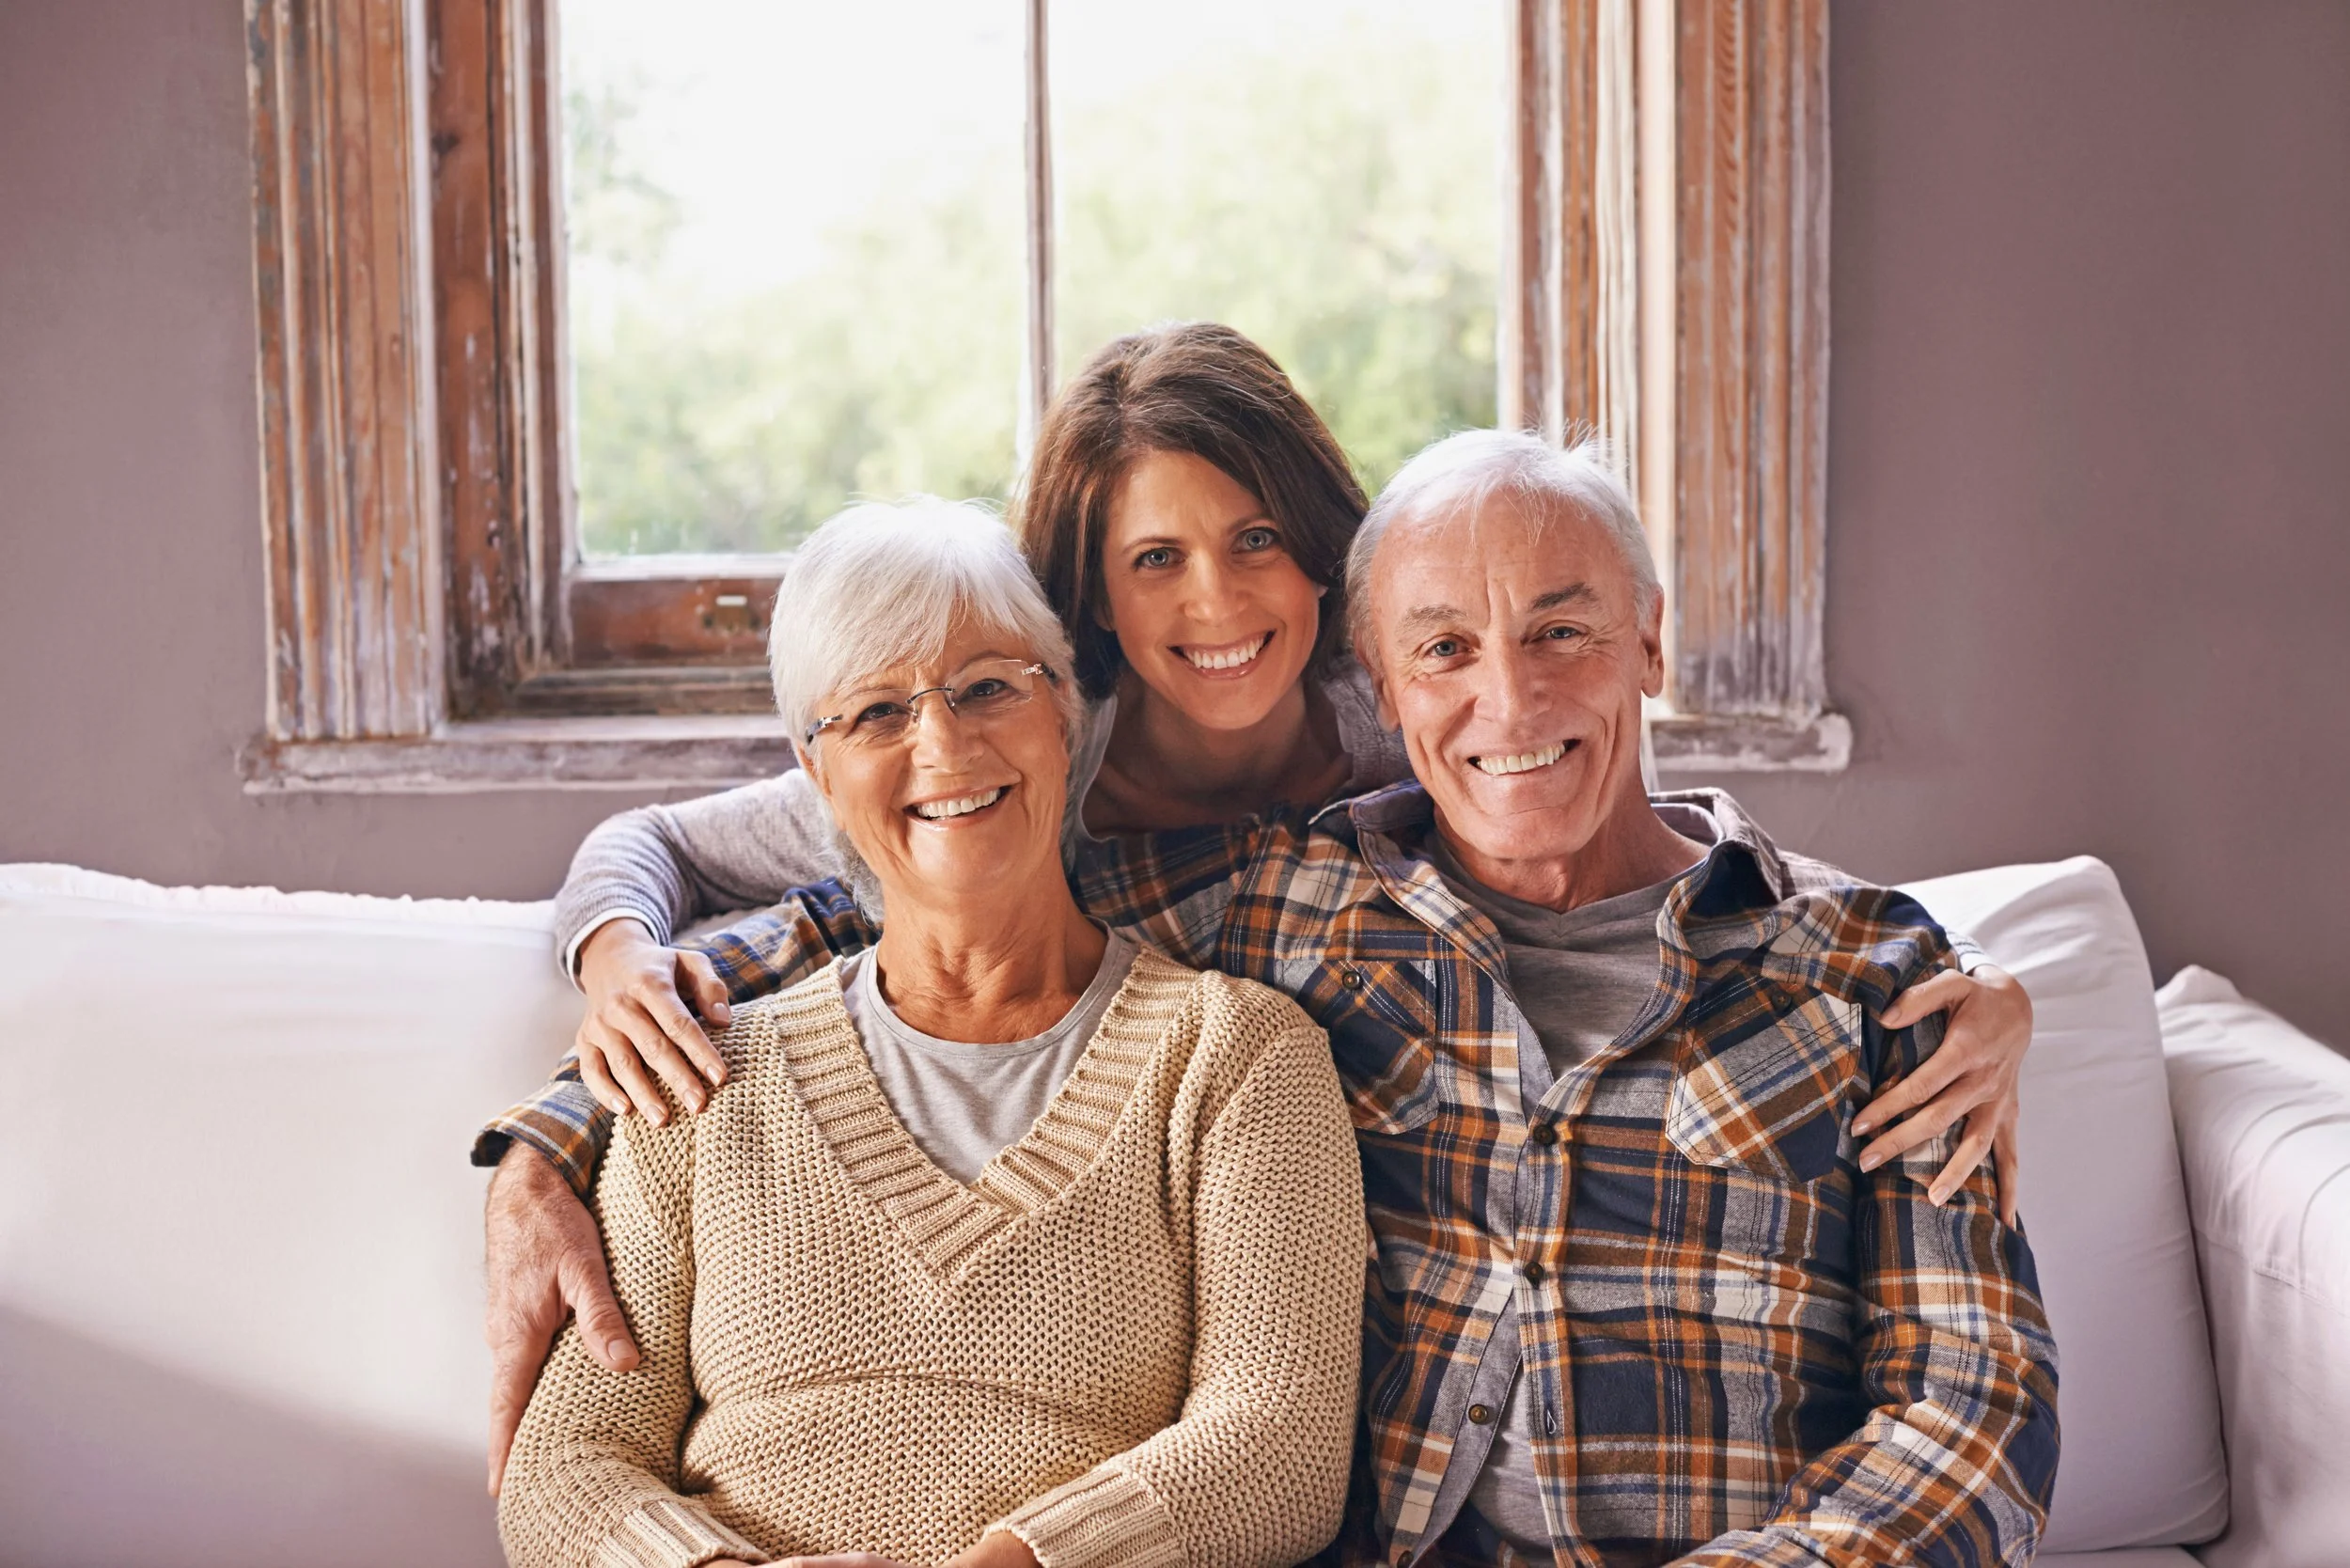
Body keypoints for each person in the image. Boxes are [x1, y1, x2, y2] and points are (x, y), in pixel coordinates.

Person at [478, 327, 2036, 1490]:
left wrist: (1959, 971)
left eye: (1557, 630)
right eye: (1157, 560)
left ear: (1647, 641)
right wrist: (553, 1130)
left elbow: (1972, 1394)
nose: (1505, 696)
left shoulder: (1837, 959)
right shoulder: (1163, 841)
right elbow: (892, 914)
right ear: (1096, 609)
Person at [494, 500, 1364, 1568]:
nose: (944, 744)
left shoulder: (1237, 1058)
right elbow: (567, 1461)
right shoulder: (708, 1075)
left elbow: (1283, 1451)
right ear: (816, 773)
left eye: (989, 687)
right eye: (873, 714)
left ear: (1068, 717)